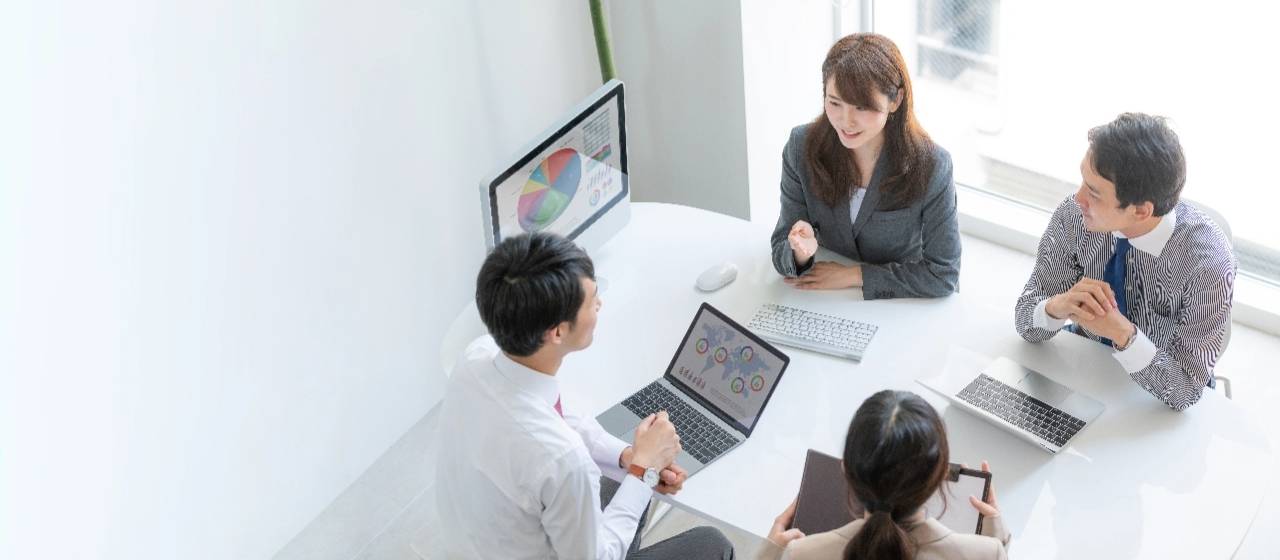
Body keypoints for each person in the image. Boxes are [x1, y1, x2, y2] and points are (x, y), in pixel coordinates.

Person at [435, 232, 734, 559]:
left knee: (623, 479)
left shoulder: (476, 358)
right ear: (558, 331)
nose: (599, 304)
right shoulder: (564, 460)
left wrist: (629, 458)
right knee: (713, 545)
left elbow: (555, 418)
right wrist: (645, 470)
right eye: (592, 299)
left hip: (483, 541)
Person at [1013, 113, 1236, 411]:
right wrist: (1057, 306)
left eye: (1094, 193)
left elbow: (1185, 391)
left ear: (1141, 211)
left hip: (1154, 399)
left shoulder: (1209, 264)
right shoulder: (1073, 216)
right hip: (1085, 366)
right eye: (1083, 180)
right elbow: (1024, 322)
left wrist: (1123, 335)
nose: (1078, 198)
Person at [771, 33, 961, 299]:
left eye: (861, 107)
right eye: (834, 103)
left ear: (895, 100)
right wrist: (800, 253)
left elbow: (943, 275)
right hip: (825, 296)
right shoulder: (801, 146)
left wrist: (853, 275)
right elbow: (781, 247)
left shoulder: (932, 166)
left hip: (900, 301)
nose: (846, 121)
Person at [767, 390, 1010, 559]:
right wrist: (996, 538)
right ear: (940, 477)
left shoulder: (801, 553)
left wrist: (768, 555)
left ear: (845, 470)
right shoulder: (986, 553)